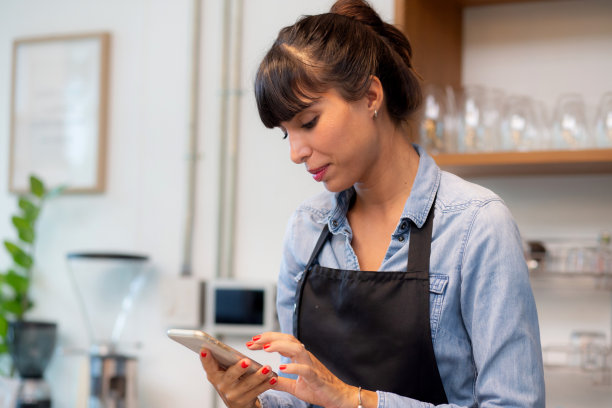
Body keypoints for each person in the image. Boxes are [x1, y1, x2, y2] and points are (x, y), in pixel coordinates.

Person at [199, 0, 546, 407]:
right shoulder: (306, 229)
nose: (295, 152)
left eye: (308, 123)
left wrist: (355, 399)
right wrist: (254, 403)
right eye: (285, 133)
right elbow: (306, 394)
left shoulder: (476, 224)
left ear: (370, 96)